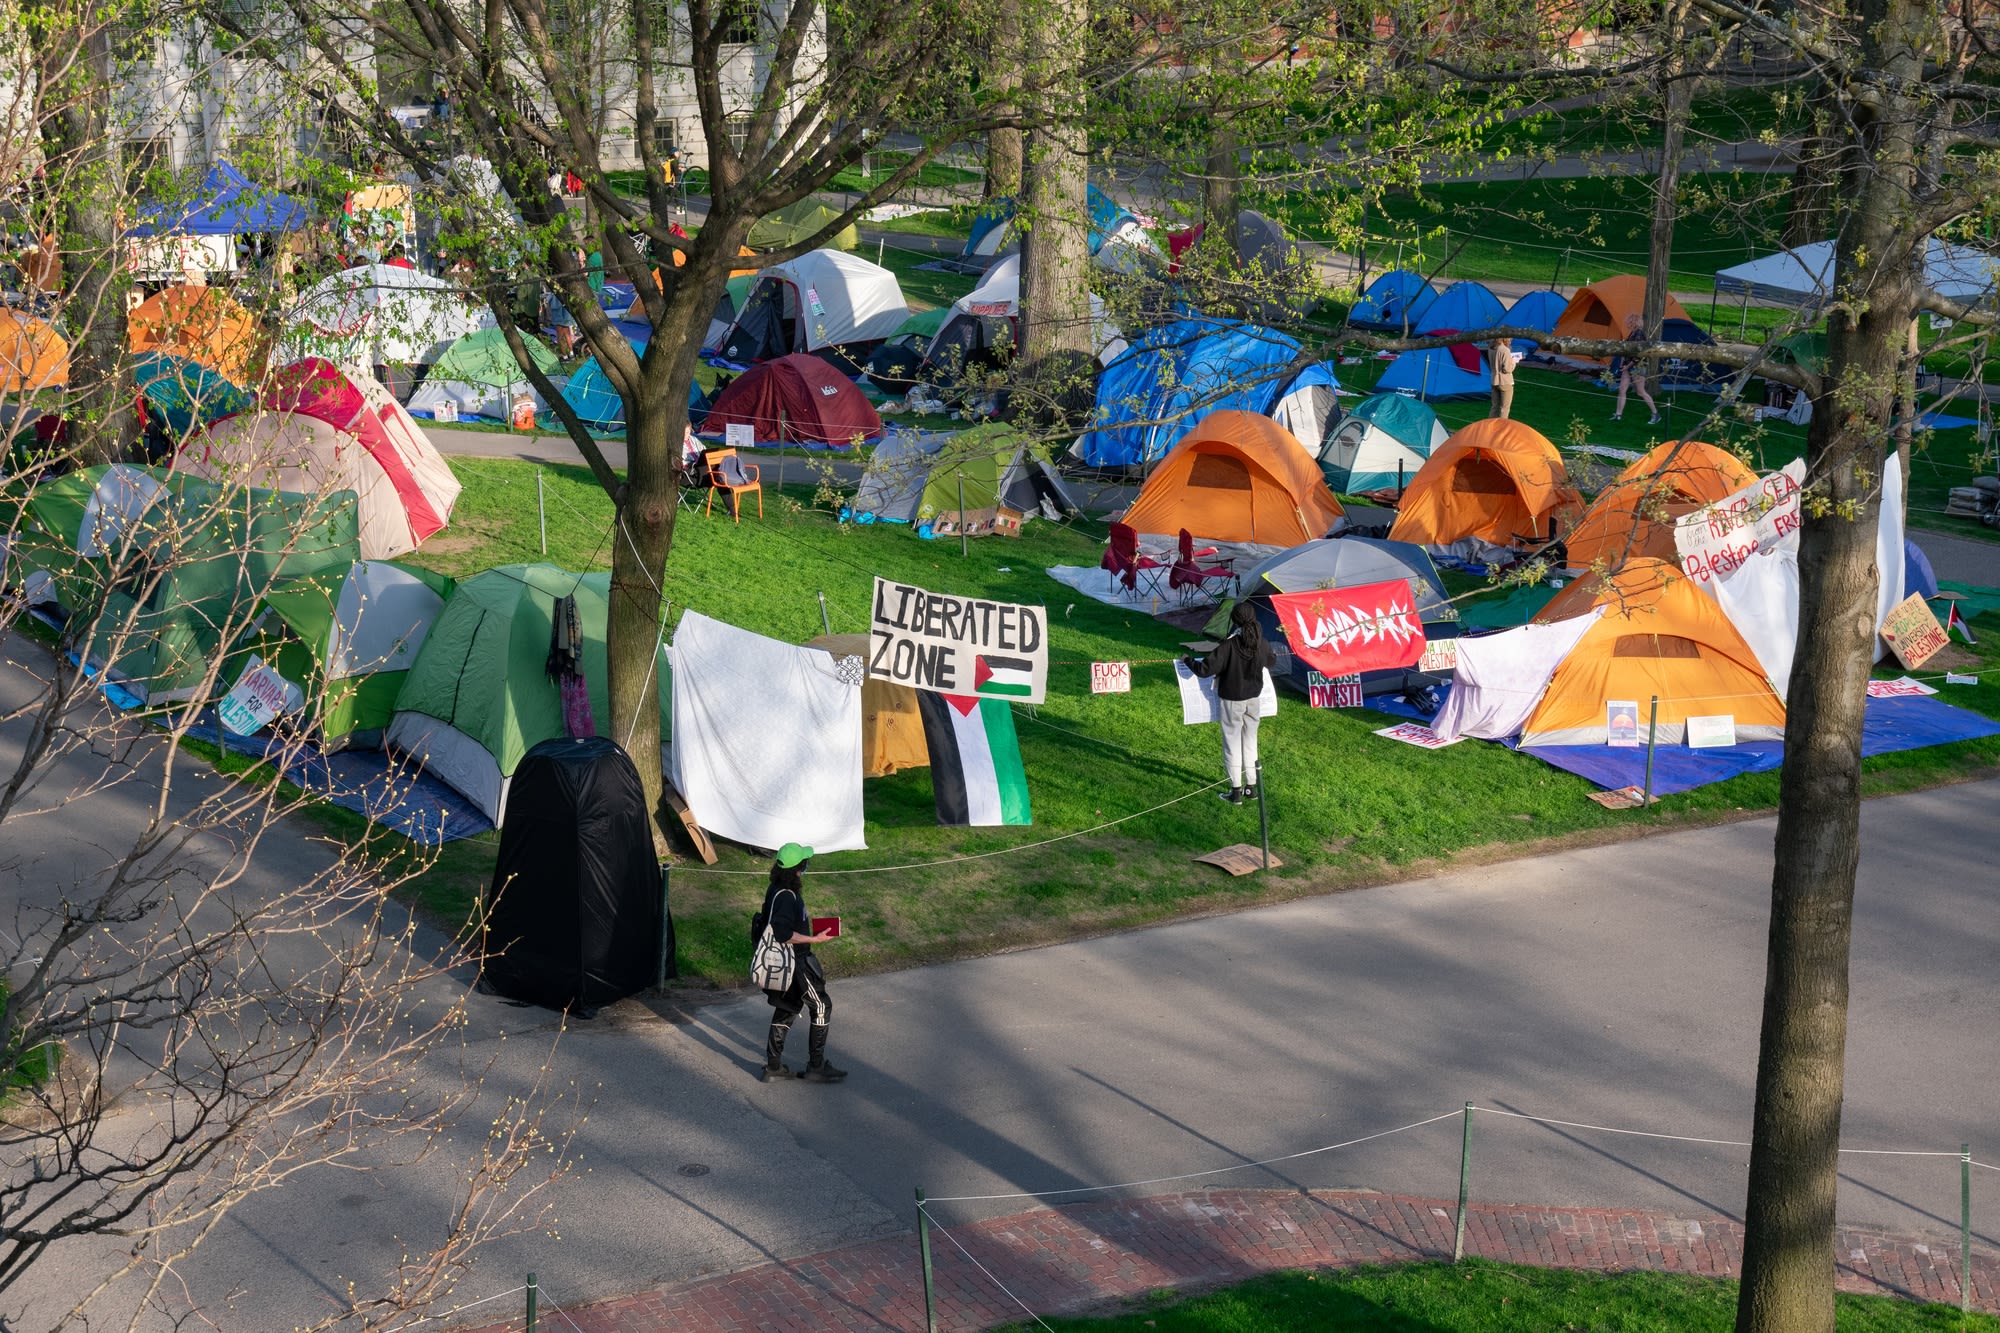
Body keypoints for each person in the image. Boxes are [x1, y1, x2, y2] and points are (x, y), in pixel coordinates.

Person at [754, 843, 846, 1083]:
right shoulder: (787, 896)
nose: (807, 865)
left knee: (787, 1008)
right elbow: (783, 933)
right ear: (798, 868)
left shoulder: (776, 888)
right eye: (805, 862)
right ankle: (816, 1066)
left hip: (786, 964)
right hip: (796, 963)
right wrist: (814, 938)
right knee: (822, 1006)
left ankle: (773, 1067)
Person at [1185, 602, 1278, 805]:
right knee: (1250, 740)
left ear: (1234, 621)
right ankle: (1251, 788)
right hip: (1254, 700)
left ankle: (1235, 791)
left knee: (1232, 744)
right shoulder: (1261, 643)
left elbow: (1204, 670)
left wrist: (1188, 660)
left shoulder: (1227, 647)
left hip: (1232, 701)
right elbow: (1271, 662)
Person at [1610, 313, 1659, 424]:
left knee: (1641, 392)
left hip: (1638, 367)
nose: (1626, 323)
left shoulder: (1639, 335)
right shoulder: (1632, 333)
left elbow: (1639, 355)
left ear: (1633, 322)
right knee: (1622, 390)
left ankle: (1655, 414)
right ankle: (1618, 415)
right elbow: (1626, 351)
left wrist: (1627, 366)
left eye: (1628, 321)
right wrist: (1623, 364)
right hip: (1628, 366)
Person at [1489, 337, 1519, 419]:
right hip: (1505, 381)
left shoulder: (1491, 348)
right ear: (1505, 339)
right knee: (1504, 409)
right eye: (1510, 339)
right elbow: (1507, 369)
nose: (1510, 341)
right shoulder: (1505, 350)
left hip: (1494, 380)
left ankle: (1489, 428)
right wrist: (1514, 361)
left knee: (1494, 407)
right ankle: (1501, 429)